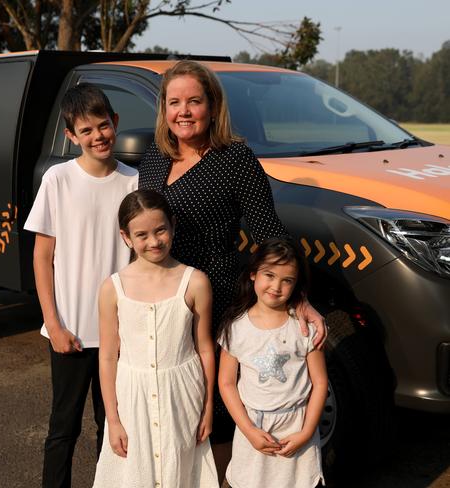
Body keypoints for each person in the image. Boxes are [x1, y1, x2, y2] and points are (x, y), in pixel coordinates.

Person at [137, 59, 327, 482]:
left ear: (212, 106)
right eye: (174, 102)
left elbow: (269, 234)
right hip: (158, 303)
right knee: (166, 403)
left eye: (194, 101)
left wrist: (300, 300)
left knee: (215, 413)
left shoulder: (235, 159)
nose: (183, 111)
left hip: (212, 302)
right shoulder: (154, 157)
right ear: (163, 110)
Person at [24, 83, 138, 488]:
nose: (98, 136)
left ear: (116, 123)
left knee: (114, 429)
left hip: (119, 336)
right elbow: (42, 257)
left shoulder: (133, 181)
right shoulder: (58, 179)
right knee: (63, 429)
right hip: (69, 332)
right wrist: (52, 324)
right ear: (71, 136)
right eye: (86, 131)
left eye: (103, 126)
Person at [92, 189, 219, 488]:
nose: (153, 242)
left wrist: (209, 406)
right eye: (142, 235)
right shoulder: (112, 288)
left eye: (160, 230)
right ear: (126, 237)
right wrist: (113, 419)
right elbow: (108, 355)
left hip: (183, 396)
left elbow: (205, 348)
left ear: (173, 225)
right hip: (132, 398)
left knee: (182, 471)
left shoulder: (196, 282)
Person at [217, 237, 327, 488]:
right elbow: (226, 383)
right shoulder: (235, 327)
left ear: (296, 284)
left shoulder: (305, 327)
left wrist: (307, 431)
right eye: (269, 275)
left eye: (287, 280)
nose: (276, 286)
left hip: (297, 429)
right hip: (253, 429)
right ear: (253, 274)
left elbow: (320, 383)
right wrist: (248, 430)